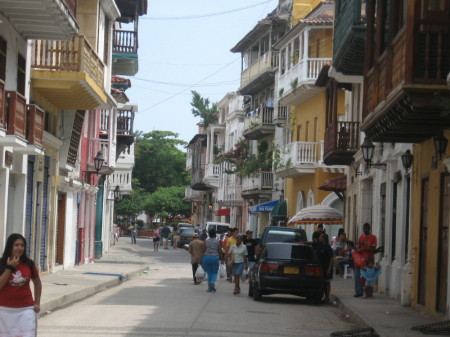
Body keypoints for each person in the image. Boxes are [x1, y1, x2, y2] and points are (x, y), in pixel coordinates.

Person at [0, 233, 42, 337]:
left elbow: (37, 283)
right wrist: (10, 268)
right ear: (10, 246)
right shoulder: (1, 263)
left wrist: (37, 302)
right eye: (16, 245)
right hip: (4, 311)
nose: (19, 248)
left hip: (26, 309)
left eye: (22, 245)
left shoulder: (29, 264)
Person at [353, 223, 377, 298]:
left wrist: (364, 249)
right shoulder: (361, 237)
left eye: (366, 228)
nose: (365, 230)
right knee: (357, 275)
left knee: (368, 277)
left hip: (368, 260)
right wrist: (358, 249)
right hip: (360, 259)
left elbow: (373, 249)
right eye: (364, 228)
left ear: (369, 229)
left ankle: (368, 292)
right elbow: (358, 245)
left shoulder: (373, 237)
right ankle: (359, 291)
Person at [314, 233, 333, 303]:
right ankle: (323, 297)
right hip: (320, 267)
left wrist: (329, 269)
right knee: (322, 282)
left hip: (326, 267)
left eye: (320, 237)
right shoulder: (319, 245)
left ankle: (327, 297)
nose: (319, 238)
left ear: (323, 238)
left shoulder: (328, 247)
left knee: (327, 283)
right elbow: (311, 244)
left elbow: (331, 258)